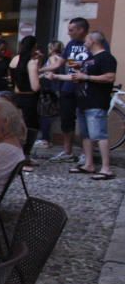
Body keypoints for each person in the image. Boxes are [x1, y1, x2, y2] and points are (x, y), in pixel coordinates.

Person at [47, 30, 117, 179]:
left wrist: (87, 76)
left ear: (93, 41)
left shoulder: (106, 58)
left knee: (99, 135)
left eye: (86, 40)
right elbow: (75, 76)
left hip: (96, 102)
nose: (84, 43)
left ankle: (106, 169)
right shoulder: (89, 60)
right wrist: (56, 76)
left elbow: (110, 77)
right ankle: (89, 164)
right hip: (83, 102)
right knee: (86, 135)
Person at [50, 17, 91, 163]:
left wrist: (82, 65)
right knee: (66, 119)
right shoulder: (70, 44)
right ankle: (67, 151)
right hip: (68, 88)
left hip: (85, 88)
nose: (68, 33)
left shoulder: (93, 42)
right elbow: (60, 63)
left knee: (85, 121)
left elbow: (98, 61)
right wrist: (42, 69)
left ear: (81, 30)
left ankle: (87, 154)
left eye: (71, 30)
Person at [9, 35, 42, 163]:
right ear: (34, 47)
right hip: (29, 98)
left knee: (17, 128)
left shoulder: (15, 60)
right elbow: (35, 86)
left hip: (17, 96)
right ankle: (25, 156)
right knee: (30, 128)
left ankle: (15, 155)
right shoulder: (31, 63)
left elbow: (13, 82)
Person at [37, 40, 65, 148]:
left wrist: (39, 73)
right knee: (49, 115)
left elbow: (51, 72)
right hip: (58, 88)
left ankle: (45, 140)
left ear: (52, 48)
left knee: (45, 114)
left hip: (50, 89)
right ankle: (47, 138)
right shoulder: (62, 58)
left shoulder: (53, 58)